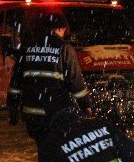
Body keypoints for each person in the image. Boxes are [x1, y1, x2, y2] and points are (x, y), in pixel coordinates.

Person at [7, 12, 92, 145]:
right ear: (59, 28)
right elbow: (76, 82)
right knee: (58, 148)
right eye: (64, 30)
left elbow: (16, 81)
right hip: (56, 113)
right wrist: (86, 106)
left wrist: (12, 106)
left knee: (42, 146)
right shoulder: (64, 48)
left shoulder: (28, 46)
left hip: (32, 114)